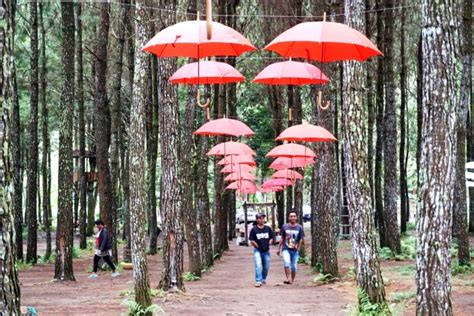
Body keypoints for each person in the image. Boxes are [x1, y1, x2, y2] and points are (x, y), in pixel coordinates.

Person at [277, 210, 304, 284]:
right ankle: (288, 278)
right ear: (288, 218)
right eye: (291, 216)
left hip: (295, 250)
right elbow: (282, 238)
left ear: (296, 217)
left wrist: (298, 248)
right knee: (287, 262)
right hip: (286, 248)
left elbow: (301, 239)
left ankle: (292, 279)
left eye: (294, 216)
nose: (293, 218)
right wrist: (279, 248)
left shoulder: (299, 227)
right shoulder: (285, 226)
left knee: (294, 267)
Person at [249, 213, 273, 287]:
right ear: (257, 220)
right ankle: (258, 280)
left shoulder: (268, 228)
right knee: (258, 265)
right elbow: (251, 240)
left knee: (266, 266)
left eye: (262, 218)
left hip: (266, 250)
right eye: (259, 218)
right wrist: (257, 246)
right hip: (258, 250)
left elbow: (271, 237)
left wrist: (269, 243)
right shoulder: (254, 229)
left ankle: (263, 278)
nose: (261, 219)